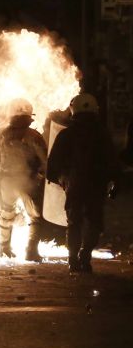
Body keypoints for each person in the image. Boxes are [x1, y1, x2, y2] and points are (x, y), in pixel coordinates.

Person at [47, 92, 118, 273]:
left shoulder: (66, 135)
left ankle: (73, 260)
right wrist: (114, 181)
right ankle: (85, 256)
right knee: (94, 221)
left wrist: (60, 180)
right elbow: (111, 161)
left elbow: (53, 163)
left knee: (74, 222)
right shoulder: (102, 134)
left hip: (74, 186)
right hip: (96, 185)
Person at [0, 98, 47, 261]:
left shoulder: (0, 134)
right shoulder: (34, 136)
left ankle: (4, 248)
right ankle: (31, 251)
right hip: (29, 181)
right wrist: (42, 175)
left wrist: (1, 172)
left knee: (6, 215)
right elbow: (45, 160)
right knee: (35, 217)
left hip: (7, 182)